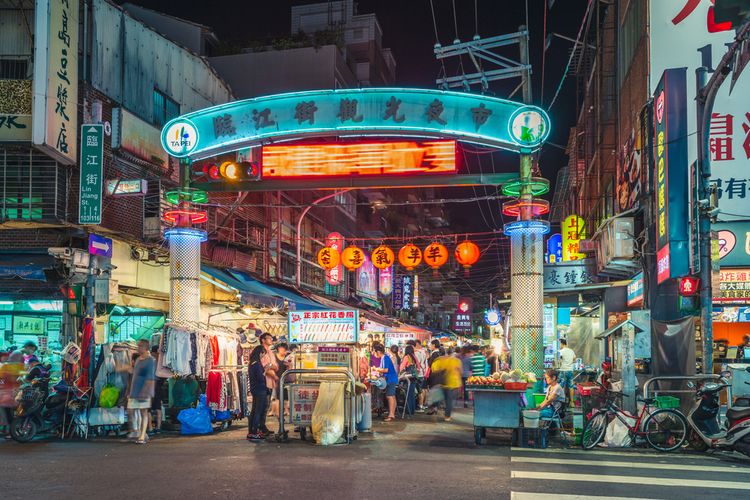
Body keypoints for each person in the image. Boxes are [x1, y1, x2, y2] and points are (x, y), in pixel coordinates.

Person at [128, 339, 155, 444]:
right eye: (138, 346)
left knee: (143, 412)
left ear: (146, 347)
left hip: (144, 391)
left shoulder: (150, 360)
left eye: (140, 346)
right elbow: (134, 375)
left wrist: (147, 391)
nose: (138, 348)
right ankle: (140, 432)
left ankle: (142, 435)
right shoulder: (138, 359)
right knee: (132, 411)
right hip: (135, 390)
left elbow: (150, 378)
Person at [427, 350, 462, 421]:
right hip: (454, 383)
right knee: (449, 400)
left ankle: (435, 408)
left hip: (443, 383)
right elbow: (460, 371)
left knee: (443, 398)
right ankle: (447, 416)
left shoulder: (441, 360)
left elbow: (435, 371)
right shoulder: (457, 361)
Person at [247, 345, 270, 440]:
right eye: (262, 354)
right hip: (260, 389)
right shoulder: (256, 364)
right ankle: (254, 431)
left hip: (255, 389)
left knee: (254, 411)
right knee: (258, 411)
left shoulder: (252, 363)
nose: (263, 356)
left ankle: (252, 431)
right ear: (259, 353)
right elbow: (261, 378)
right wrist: (266, 370)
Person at [371, 343, 398, 421]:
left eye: (374, 352)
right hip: (391, 378)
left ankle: (391, 415)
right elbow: (383, 369)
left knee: (389, 396)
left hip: (391, 379)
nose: (374, 354)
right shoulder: (384, 357)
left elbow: (386, 370)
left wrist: (376, 369)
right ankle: (392, 413)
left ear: (378, 352)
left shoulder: (385, 358)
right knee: (392, 396)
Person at [270, 343, 290, 418]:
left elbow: (290, 369)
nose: (283, 350)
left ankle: (285, 411)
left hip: (285, 379)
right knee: (277, 396)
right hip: (276, 379)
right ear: (278, 348)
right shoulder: (274, 357)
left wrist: (289, 366)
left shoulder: (287, 357)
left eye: (284, 349)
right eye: (281, 348)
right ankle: (278, 413)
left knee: (285, 396)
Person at [399, 345, 418, 416]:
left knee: (408, 394)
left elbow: (401, 367)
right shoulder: (414, 357)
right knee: (412, 394)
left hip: (408, 378)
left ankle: (408, 410)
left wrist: (400, 373)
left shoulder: (407, 357)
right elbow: (418, 367)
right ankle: (412, 410)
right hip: (413, 377)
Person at [149, 346, 164, 435]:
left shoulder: (150, 361)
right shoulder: (161, 361)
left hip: (151, 384)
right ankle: (158, 427)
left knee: (148, 408)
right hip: (158, 385)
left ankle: (150, 428)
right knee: (158, 407)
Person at [557, 339, 576, 404]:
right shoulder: (571, 351)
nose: (559, 345)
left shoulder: (561, 351)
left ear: (562, 344)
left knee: (561, 386)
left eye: (559, 344)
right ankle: (572, 402)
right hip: (570, 370)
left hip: (563, 370)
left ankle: (561, 402)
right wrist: (569, 363)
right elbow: (574, 360)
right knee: (571, 387)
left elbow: (559, 360)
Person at [413, 340, 429, 412]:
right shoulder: (424, 352)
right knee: (423, 389)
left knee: (419, 391)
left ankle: (420, 406)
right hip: (423, 372)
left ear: (417, 344)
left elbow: (417, 363)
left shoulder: (417, 353)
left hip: (419, 373)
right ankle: (423, 405)